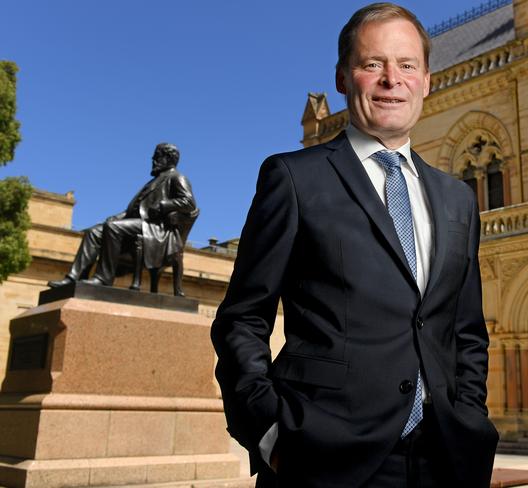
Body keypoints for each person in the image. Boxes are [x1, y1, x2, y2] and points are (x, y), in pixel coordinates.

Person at [211, 3, 498, 487]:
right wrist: (270, 434)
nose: (392, 79)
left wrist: (470, 416)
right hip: (322, 459)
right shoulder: (294, 178)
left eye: (407, 65)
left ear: (427, 80)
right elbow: (243, 318)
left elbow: (466, 332)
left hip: (445, 459)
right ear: (344, 78)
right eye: (373, 65)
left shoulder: (458, 198)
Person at [48, 143, 196, 292]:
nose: (153, 159)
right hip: (138, 223)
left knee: (112, 228)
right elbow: (133, 210)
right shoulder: (154, 181)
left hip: (156, 228)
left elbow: (189, 202)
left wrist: (163, 205)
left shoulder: (177, 177)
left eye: (157, 156)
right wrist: (116, 217)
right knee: (93, 232)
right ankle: (75, 277)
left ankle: (103, 278)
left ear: (169, 158)